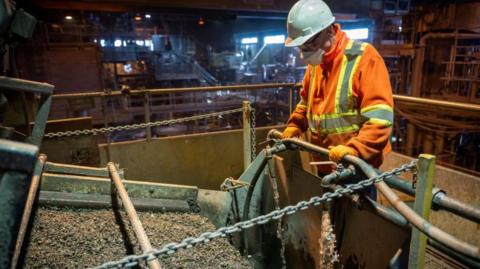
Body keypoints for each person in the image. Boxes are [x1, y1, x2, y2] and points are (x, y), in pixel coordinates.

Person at [282, 0, 394, 169]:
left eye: (309, 43)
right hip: (325, 163)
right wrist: (295, 124)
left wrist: (354, 150)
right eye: (301, 46)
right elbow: (306, 103)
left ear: (328, 30)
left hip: (357, 168)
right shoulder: (316, 64)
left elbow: (380, 120)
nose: (304, 53)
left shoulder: (363, 58)